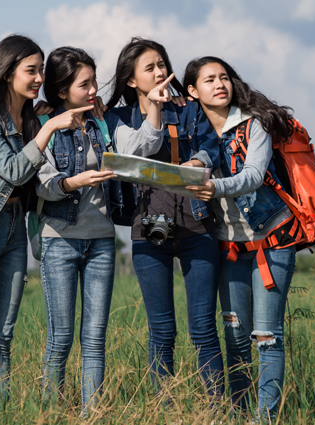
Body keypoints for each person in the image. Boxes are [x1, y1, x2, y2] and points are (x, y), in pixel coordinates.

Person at [0, 34, 93, 407]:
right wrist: (48, 128)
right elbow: (11, 170)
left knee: (2, 336)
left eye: (41, 69)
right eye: (31, 70)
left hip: (12, 229)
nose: (39, 77)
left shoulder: (30, 117)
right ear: (8, 72)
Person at [34, 46, 171, 414]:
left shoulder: (103, 124)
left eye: (94, 81)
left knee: (94, 338)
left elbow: (143, 146)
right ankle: (50, 413)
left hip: (101, 242)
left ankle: (91, 414)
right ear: (63, 91)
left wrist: (155, 106)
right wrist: (75, 181)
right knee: (60, 338)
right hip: (59, 240)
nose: (94, 89)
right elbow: (42, 184)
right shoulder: (46, 127)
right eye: (84, 84)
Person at [105, 37, 224, 399]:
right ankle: (164, 409)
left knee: (203, 328)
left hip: (196, 224)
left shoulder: (188, 108)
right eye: (150, 68)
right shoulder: (119, 117)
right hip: (151, 227)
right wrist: (154, 108)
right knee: (162, 330)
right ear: (131, 80)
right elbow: (134, 152)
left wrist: (200, 160)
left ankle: (220, 410)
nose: (159, 72)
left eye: (162, 64)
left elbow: (212, 142)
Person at [183, 56, 296, 421]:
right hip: (229, 247)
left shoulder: (253, 125)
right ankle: (238, 415)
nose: (220, 84)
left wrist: (212, 186)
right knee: (234, 337)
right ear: (192, 91)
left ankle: (265, 418)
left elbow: (253, 176)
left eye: (225, 77)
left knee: (267, 336)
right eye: (210, 79)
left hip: (272, 241)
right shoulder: (194, 132)